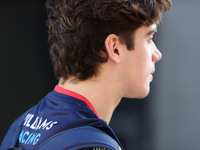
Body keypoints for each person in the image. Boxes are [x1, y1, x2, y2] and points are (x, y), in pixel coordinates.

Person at [1, 0, 171, 149]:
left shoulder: (19, 128)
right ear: (115, 48)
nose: (157, 54)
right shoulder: (92, 145)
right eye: (150, 38)